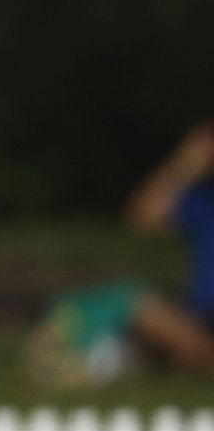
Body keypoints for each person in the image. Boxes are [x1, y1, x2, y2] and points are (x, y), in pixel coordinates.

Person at [29, 122, 214, 384]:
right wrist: (182, 166)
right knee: (141, 307)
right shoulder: (202, 198)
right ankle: (110, 356)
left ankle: (118, 360)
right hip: (199, 318)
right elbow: (143, 215)